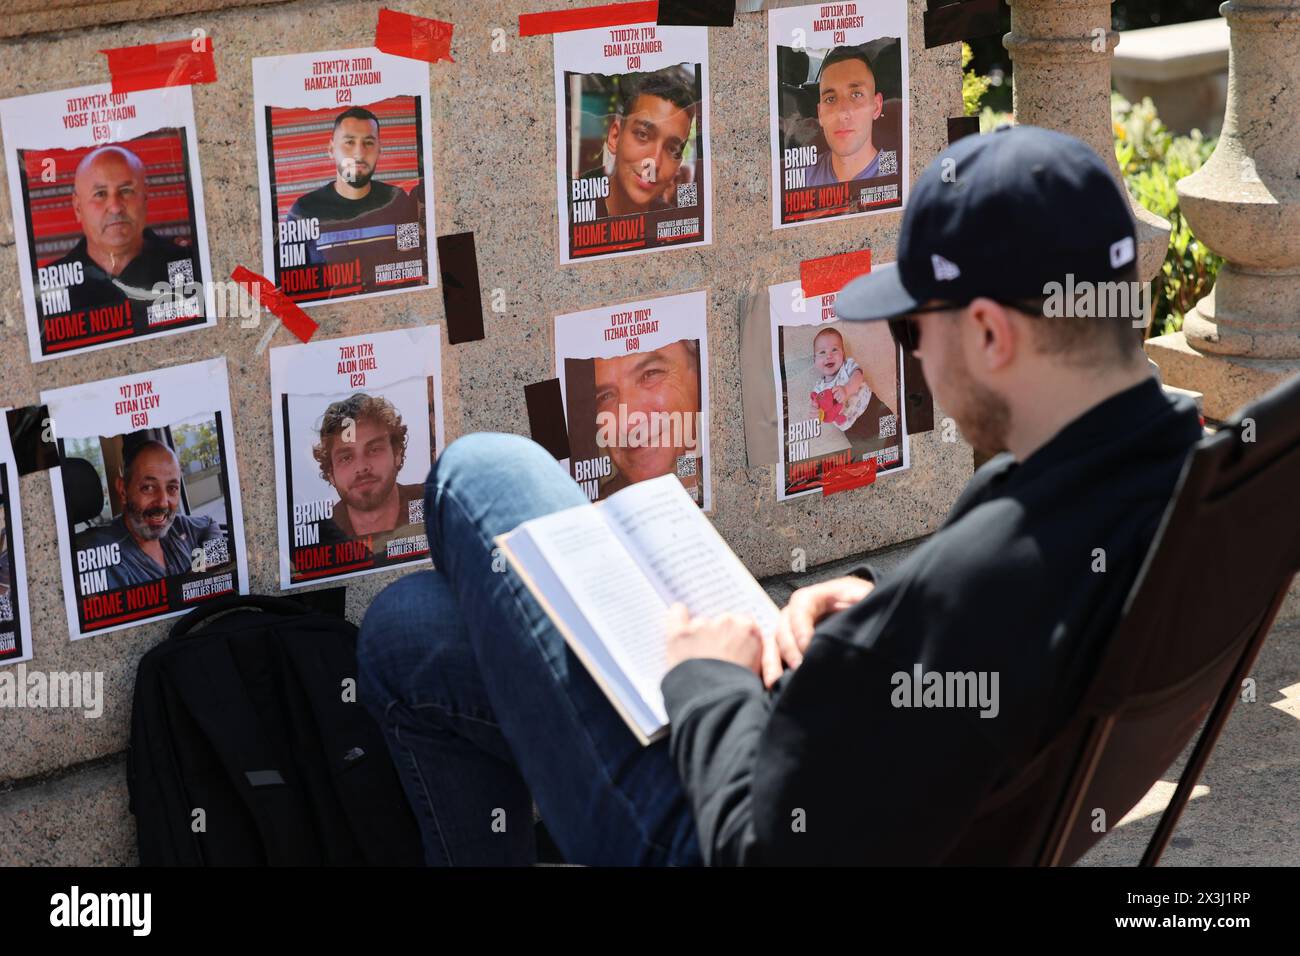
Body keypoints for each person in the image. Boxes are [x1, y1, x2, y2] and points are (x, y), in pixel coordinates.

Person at [357, 125, 1202, 865]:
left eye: (913, 327)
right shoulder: (1172, 475)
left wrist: (708, 680)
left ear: (988, 332)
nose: (909, 358)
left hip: (706, 820)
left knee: (478, 471)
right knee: (410, 635)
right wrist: (877, 613)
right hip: (862, 776)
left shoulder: (1001, 568)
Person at [39, 145, 201, 332]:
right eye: (100, 194)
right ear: (77, 207)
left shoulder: (189, 263)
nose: (115, 207)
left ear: (145, 197)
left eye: (126, 191)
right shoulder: (48, 289)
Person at [284, 107, 421, 283]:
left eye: (369, 143)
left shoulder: (399, 201)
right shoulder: (302, 212)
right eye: (349, 142)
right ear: (331, 149)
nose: (359, 153)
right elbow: (292, 283)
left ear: (379, 149)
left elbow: (412, 267)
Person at [75, 440, 223, 590]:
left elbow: (209, 524)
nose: (163, 503)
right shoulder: (97, 555)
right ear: (123, 490)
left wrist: (208, 564)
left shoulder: (178, 526)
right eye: (148, 487)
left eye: (172, 488)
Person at [312, 393, 423, 555]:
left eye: (374, 449)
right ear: (330, 473)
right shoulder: (318, 539)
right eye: (346, 457)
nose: (362, 467)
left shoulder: (434, 505)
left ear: (397, 453)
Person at [578, 71, 697, 219]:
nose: (654, 162)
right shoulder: (574, 206)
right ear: (615, 137)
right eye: (643, 135)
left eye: (672, 149)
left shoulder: (672, 223)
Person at [592, 339, 701, 495]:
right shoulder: (592, 511)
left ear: (699, 374)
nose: (626, 423)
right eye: (605, 397)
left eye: (650, 374)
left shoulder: (725, 478)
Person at [807, 325, 898, 464]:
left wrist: (847, 389)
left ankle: (898, 445)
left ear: (843, 354)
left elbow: (858, 376)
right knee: (866, 448)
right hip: (851, 426)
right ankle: (882, 462)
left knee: (889, 423)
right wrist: (815, 411)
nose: (829, 355)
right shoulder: (819, 388)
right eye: (822, 352)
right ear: (814, 361)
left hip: (870, 406)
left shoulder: (847, 366)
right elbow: (817, 406)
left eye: (834, 350)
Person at [805, 46, 887, 188]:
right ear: (820, 114)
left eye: (856, 95)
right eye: (830, 99)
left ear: (877, 106)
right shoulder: (803, 176)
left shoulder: (896, 175)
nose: (842, 114)